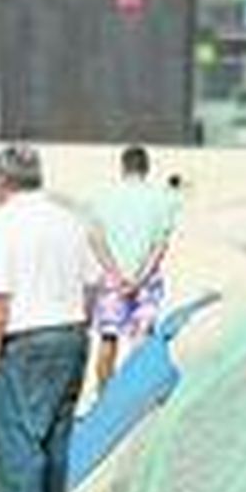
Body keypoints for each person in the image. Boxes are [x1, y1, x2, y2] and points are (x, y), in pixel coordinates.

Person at [0, 145, 97, 492]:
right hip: (71, 334)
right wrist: (81, 327)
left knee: (17, 440)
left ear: (1, 180)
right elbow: (91, 285)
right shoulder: (69, 220)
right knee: (55, 439)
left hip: (24, 339)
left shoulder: (3, 224)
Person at [90, 146, 180, 391]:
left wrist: (116, 275)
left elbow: (96, 240)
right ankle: (136, 392)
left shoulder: (104, 198)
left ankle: (103, 397)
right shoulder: (161, 200)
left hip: (112, 281)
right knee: (141, 339)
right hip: (147, 280)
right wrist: (139, 279)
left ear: (123, 167)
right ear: (146, 168)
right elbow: (160, 247)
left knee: (108, 339)